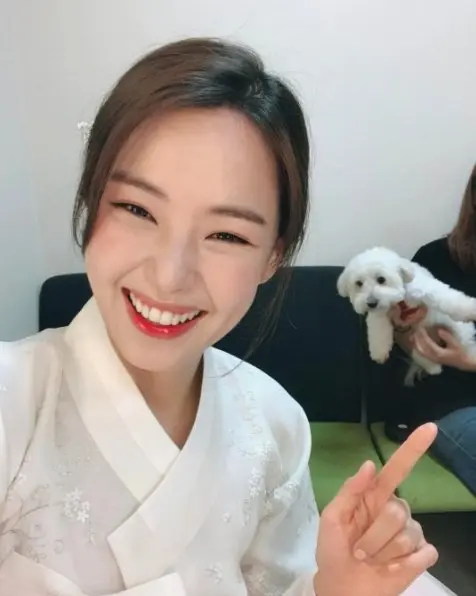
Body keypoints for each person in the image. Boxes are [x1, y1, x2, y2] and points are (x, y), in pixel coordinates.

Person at [0, 38, 453, 596]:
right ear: (92, 201)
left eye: (226, 235)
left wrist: (337, 587)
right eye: (136, 208)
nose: (170, 275)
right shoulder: (12, 404)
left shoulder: (274, 424)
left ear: (273, 256)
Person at [388, 163, 476, 496]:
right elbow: (405, 337)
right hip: (451, 406)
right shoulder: (436, 259)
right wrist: (401, 326)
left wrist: (469, 361)